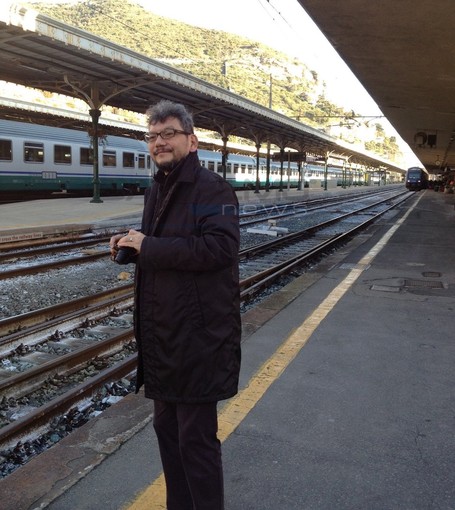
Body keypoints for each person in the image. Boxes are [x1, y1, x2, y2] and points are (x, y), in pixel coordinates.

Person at [109, 100, 241, 510]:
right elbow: (165, 245)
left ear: (192, 140)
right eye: (152, 136)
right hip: (163, 336)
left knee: (195, 441)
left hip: (198, 338)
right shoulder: (158, 189)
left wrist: (151, 246)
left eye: (168, 133)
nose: (159, 142)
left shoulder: (212, 189)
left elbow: (219, 249)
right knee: (168, 435)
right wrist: (133, 246)